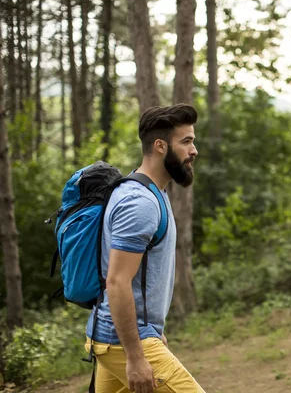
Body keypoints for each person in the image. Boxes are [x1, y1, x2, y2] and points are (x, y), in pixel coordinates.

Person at [85, 104, 205, 392]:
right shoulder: (139, 202)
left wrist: (152, 328)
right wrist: (136, 356)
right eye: (186, 141)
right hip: (124, 341)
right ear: (161, 146)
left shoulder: (152, 191)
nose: (194, 150)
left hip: (119, 336)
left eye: (193, 140)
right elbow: (117, 281)